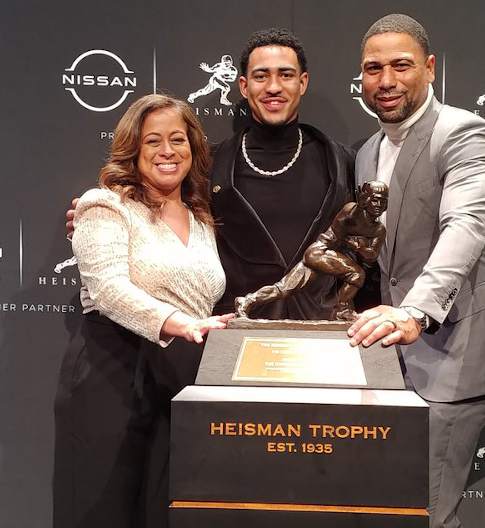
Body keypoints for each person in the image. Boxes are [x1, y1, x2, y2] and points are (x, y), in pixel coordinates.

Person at [346, 14, 485, 528]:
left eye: (400, 65)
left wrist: (415, 311)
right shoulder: (366, 152)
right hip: (392, 357)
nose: (386, 80)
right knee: (396, 512)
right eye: (373, 68)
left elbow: (465, 228)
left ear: (428, 68)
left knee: (428, 517)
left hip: (456, 349)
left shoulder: (465, 131)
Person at [53, 94, 229, 528]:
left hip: (182, 380)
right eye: (153, 140)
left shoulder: (201, 217)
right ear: (132, 148)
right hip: (112, 370)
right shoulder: (104, 205)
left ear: (193, 148)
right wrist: (177, 323)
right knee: (102, 520)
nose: (167, 150)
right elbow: (107, 288)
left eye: (178, 139)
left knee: (163, 521)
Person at [67, 28, 358, 319]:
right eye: (261, 76)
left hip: (321, 331)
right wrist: (101, 215)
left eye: (285, 75)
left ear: (302, 82)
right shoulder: (208, 166)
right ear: (243, 86)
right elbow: (150, 207)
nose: (273, 87)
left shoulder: (341, 162)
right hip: (234, 331)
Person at [234, 180, 388, 321]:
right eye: (375, 199)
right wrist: (359, 208)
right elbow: (344, 224)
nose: (378, 205)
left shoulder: (379, 230)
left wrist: (360, 248)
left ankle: (247, 301)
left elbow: (372, 255)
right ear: (365, 199)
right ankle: (342, 310)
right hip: (319, 252)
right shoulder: (351, 210)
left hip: (327, 257)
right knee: (357, 274)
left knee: (284, 288)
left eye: (383, 201)